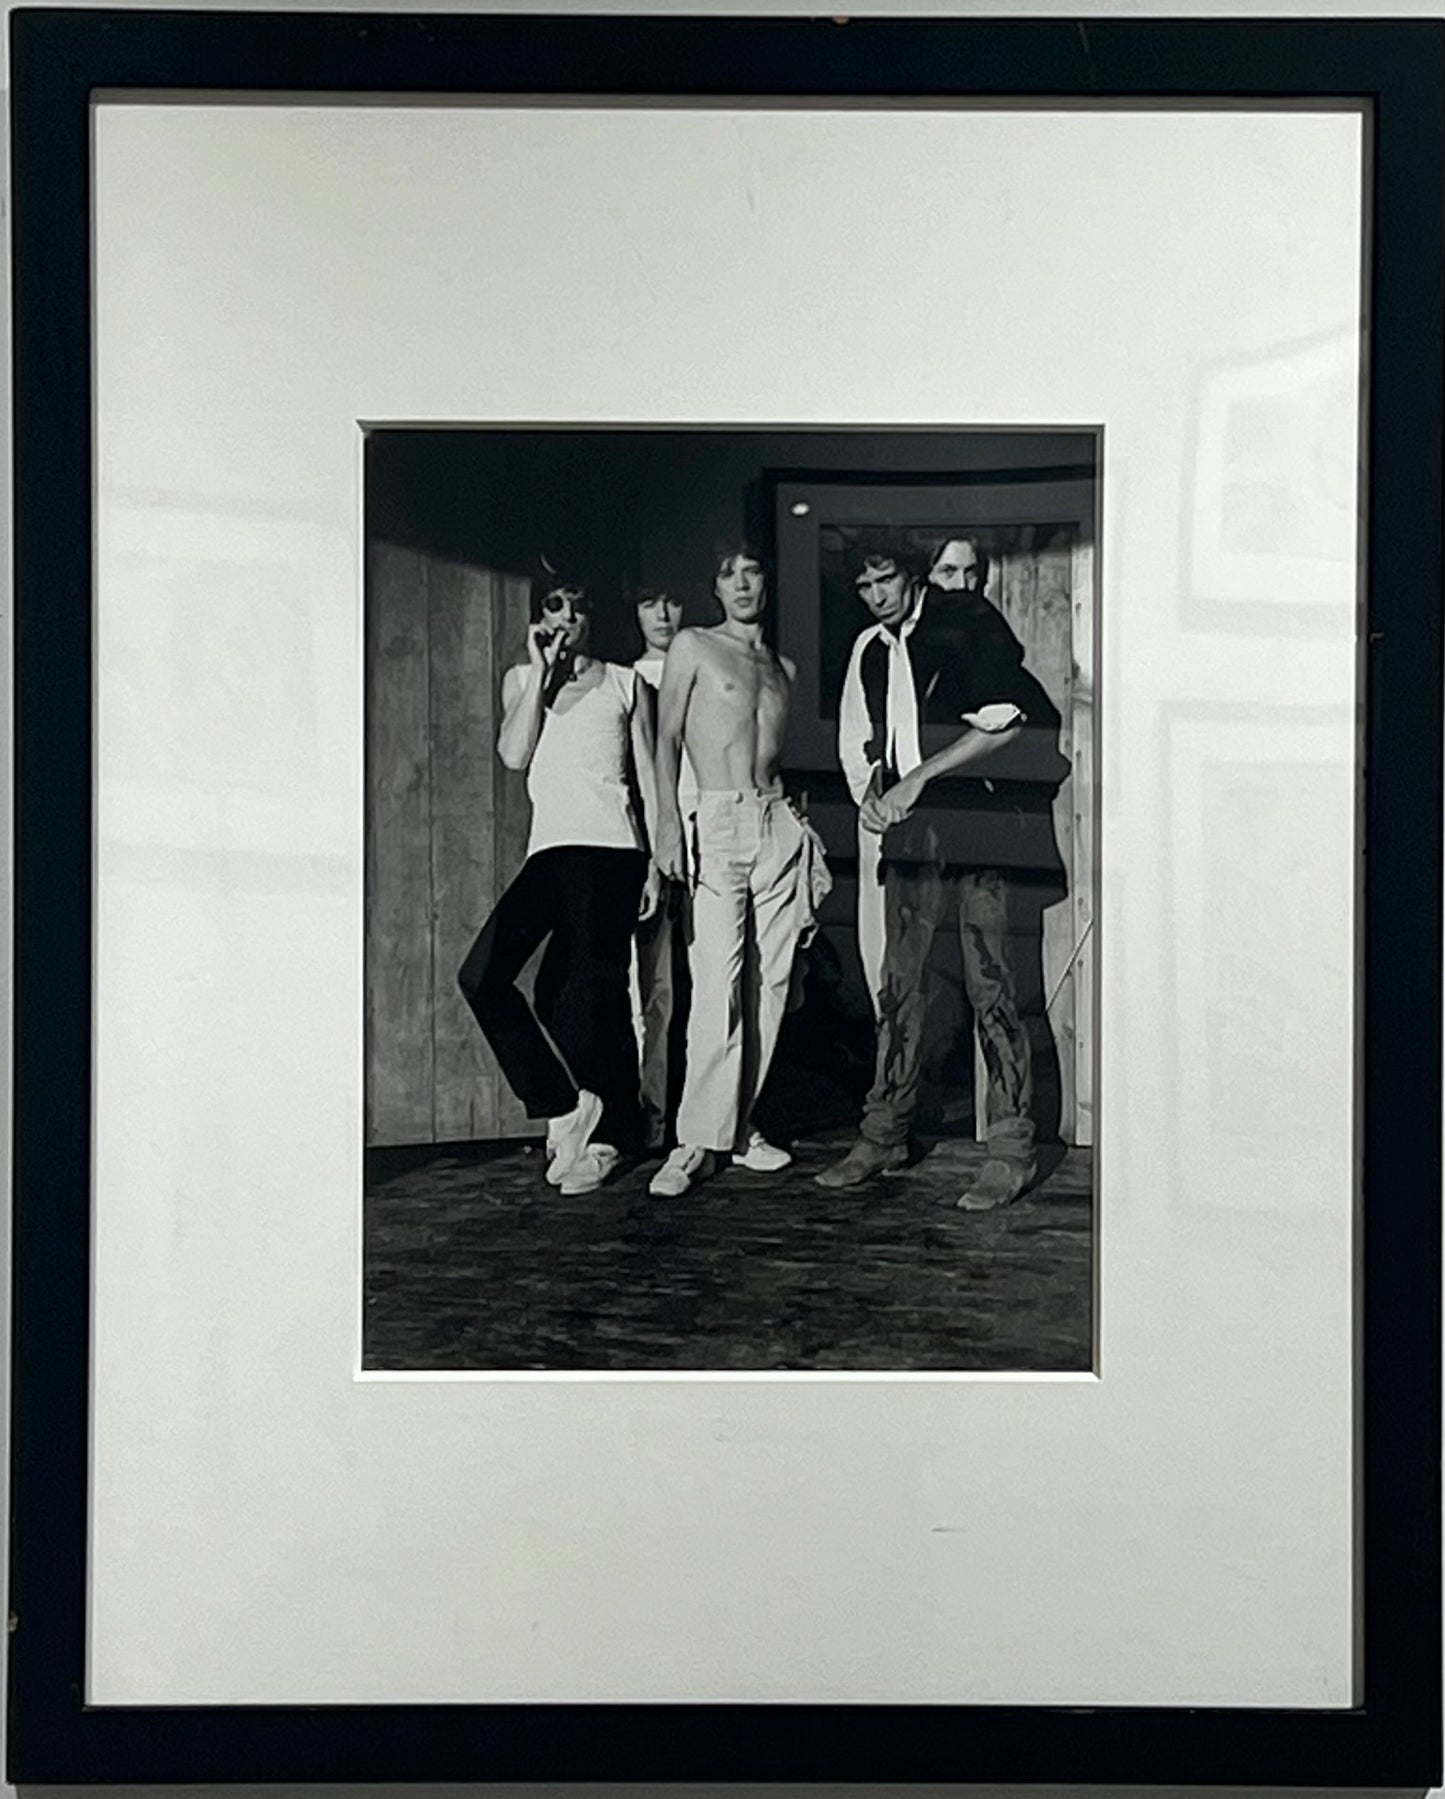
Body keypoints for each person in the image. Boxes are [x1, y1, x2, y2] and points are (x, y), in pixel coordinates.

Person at [818, 538, 1068, 1209]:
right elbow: (859, 743)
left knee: (993, 986)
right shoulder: (869, 649)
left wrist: (921, 777)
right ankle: (884, 1133)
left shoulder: (966, 619)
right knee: (900, 985)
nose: (878, 596)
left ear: (912, 575)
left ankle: (1011, 1150)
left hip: (980, 824)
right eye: (866, 586)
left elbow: (1006, 723)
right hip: (912, 838)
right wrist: (872, 796)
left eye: (887, 579)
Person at [457, 573, 659, 1196]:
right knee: (484, 977)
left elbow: (650, 778)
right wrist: (540, 674)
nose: (566, 619)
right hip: (550, 852)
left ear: (591, 618)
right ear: (538, 618)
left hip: (613, 851)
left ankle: (614, 1134)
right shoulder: (523, 681)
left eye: (578, 608)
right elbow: (514, 755)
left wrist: (656, 861)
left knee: (589, 996)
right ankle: (567, 1105)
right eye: (554, 608)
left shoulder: (626, 682)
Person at [650, 544, 830, 1198]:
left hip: (776, 820)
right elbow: (666, 739)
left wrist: (801, 833)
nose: (742, 584)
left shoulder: (784, 668)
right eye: (729, 575)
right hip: (718, 818)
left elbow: (779, 753)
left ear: (766, 582)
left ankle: (737, 1126)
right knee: (717, 981)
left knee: (770, 984)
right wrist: (669, 825)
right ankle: (695, 1141)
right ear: (716, 588)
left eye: (752, 571)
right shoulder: (694, 646)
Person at [630, 587, 692, 1151]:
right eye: (651, 604)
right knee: (656, 989)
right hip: (656, 843)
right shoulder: (629, 680)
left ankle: (714, 1119)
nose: (663, 614)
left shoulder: (700, 667)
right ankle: (654, 1119)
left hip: (709, 830)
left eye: (671, 602)